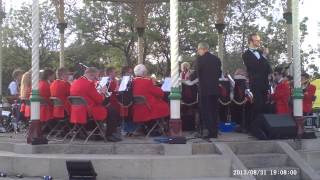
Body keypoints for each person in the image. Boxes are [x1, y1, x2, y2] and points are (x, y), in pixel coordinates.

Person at [70, 67, 121, 142]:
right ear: (91, 75)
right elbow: (100, 100)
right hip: (89, 110)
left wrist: (98, 92)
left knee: (109, 108)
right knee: (112, 111)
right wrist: (103, 92)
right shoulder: (89, 84)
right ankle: (109, 135)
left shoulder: (75, 82)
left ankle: (96, 132)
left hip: (77, 110)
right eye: (96, 77)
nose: (96, 79)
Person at [192, 42, 222, 138]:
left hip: (204, 90)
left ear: (202, 49)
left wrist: (189, 77)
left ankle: (210, 132)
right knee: (214, 111)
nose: (198, 51)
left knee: (206, 111)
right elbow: (219, 73)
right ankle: (215, 131)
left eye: (198, 49)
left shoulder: (200, 59)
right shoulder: (217, 59)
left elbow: (196, 73)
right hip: (215, 89)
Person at [242, 33, 272, 129]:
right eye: (256, 40)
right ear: (250, 41)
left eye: (259, 40)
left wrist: (270, 72)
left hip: (264, 83)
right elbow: (255, 67)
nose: (259, 42)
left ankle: (262, 126)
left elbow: (267, 67)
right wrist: (263, 55)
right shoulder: (246, 55)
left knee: (264, 106)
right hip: (255, 83)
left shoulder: (260, 52)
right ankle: (254, 127)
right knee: (257, 106)